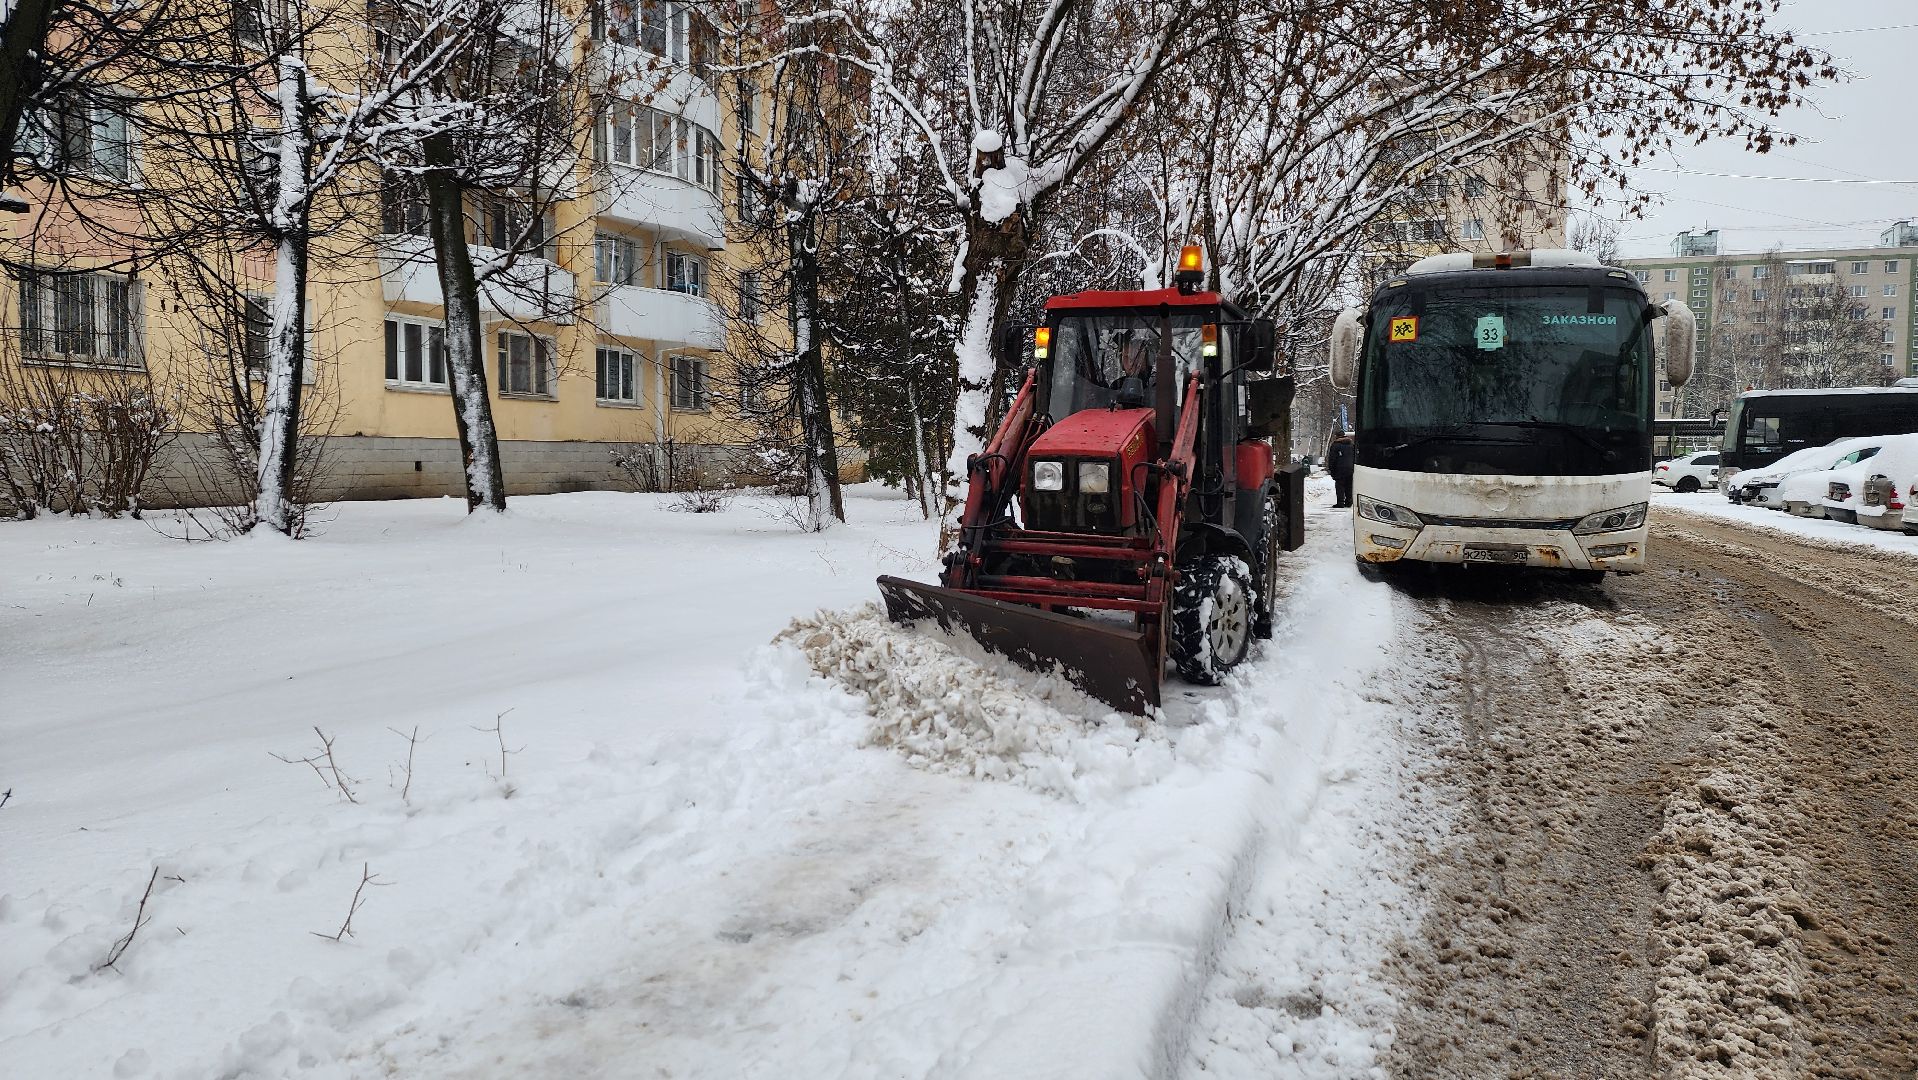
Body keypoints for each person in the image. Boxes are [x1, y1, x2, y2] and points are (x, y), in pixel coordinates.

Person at [1327, 431, 1356, 508]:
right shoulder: (1351, 444)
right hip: (1350, 468)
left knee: (1340, 485)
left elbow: (1332, 458)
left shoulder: (1335, 445)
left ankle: (1340, 503)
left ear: (1337, 436)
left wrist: (1331, 469)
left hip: (1339, 469)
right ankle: (1349, 502)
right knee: (1349, 485)